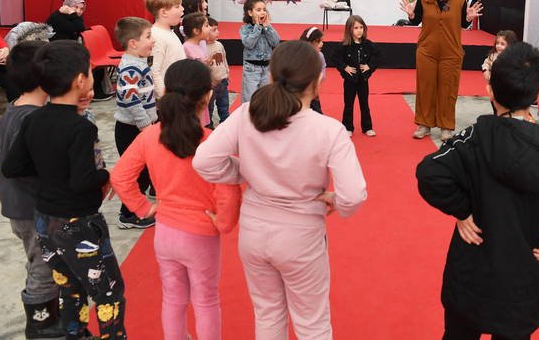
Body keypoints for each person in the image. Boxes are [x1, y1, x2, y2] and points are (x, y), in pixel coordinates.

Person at [416, 42, 539, 340]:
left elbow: (430, 172)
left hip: (471, 274)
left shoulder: (473, 139)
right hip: (522, 280)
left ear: (490, 92)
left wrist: (462, 211)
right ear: (538, 94)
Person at [193, 41, 367, 340]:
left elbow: (204, 161)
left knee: (268, 314)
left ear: (271, 77)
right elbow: (353, 195)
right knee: (312, 323)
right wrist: (337, 201)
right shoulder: (328, 130)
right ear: (317, 82)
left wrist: (244, 173)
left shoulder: (247, 114)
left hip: (254, 232)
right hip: (301, 237)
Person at [2, 40, 127, 339]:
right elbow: (82, 181)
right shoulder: (80, 128)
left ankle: (75, 333)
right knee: (109, 292)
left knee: (70, 289)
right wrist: (105, 175)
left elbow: (12, 167)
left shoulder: (33, 119)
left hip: (45, 222)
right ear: (80, 80)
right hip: (78, 225)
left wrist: (49, 173)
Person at [111, 59, 241, 340]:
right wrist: (225, 222)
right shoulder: (211, 142)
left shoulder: (150, 137)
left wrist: (144, 208)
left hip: (165, 233)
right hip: (202, 235)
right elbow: (228, 187)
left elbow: (120, 177)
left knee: (173, 299)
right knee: (206, 301)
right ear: (207, 96)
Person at [0, 41, 66, 338]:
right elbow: (26, 168)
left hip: (18, 206)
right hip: (31, 207)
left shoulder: (14, 109)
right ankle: (41, 322)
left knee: (41, 258)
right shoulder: (33, 118)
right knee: (43, 264)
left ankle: (48, 311)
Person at [399, 0, 482, 141]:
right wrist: (411, 15)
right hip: (427, 50)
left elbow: (463, 23)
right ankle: (424, 124)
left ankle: (446, 127)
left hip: (451, 52)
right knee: (425, 88)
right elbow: (416, 20)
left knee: (448, 89)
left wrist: (468, 18)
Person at [113, 17, 157, 230]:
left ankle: (138, 204)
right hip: (132, 129)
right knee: (137, 173)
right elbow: (130, 99)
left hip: (141, 126)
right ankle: (128, 214)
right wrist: (145, 124)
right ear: (133, 43)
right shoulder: (131, 68)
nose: (153, 41)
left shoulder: (138, 63)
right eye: (148, 37)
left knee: (145, 170)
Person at [334, 15, 380, 137]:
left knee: (364, 104)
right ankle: (348, 127)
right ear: (349, 29)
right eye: (356, 28)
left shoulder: (368, 44)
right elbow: (335, 58)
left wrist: (369, 66)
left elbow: (378, 55)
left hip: (363, 81)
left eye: (361, 27)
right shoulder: (344, 46)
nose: (359, 30)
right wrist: (344, 67)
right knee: (348, 104)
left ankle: (367, 127)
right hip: (349, 81)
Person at [146, 0, 186, 99]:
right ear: (163, 12)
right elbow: (153, 70)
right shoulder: (156, 36)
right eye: (177, 6)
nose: (182, 9)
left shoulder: (168, 32)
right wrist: (164, 97)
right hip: (169, 98)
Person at [240, 0, 280, 103]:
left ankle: (264, 118)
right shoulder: (245, 29)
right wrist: (257, 27)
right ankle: (247, 118)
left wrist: (267, 27)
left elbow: (275, 42)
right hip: (251, 69)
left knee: (266, 97)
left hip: (267, 68)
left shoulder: (268, 28)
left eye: (264, 10)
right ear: (250, 13)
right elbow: (248, 44)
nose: (262, 12)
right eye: (258, 10)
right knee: (249, 99)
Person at [206, 17, 230, 127]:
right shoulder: (202, 48)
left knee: (224, 105)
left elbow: (224, 59)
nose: (218, 32)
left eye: (217, 29)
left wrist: (227, 72)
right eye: (214, 30)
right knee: (209, 108)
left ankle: (225, 124)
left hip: (223, 81)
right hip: (210, 85)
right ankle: (209, 126)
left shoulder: (219, 45)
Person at [299, 26, 325, 114]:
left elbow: (322, 72)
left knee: (317, 113)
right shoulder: (299, 55)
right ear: (310, 42)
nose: (322, 44)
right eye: (319, 41)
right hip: (298, 92)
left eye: (322, 41)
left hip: (312, 92)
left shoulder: (320, 56)